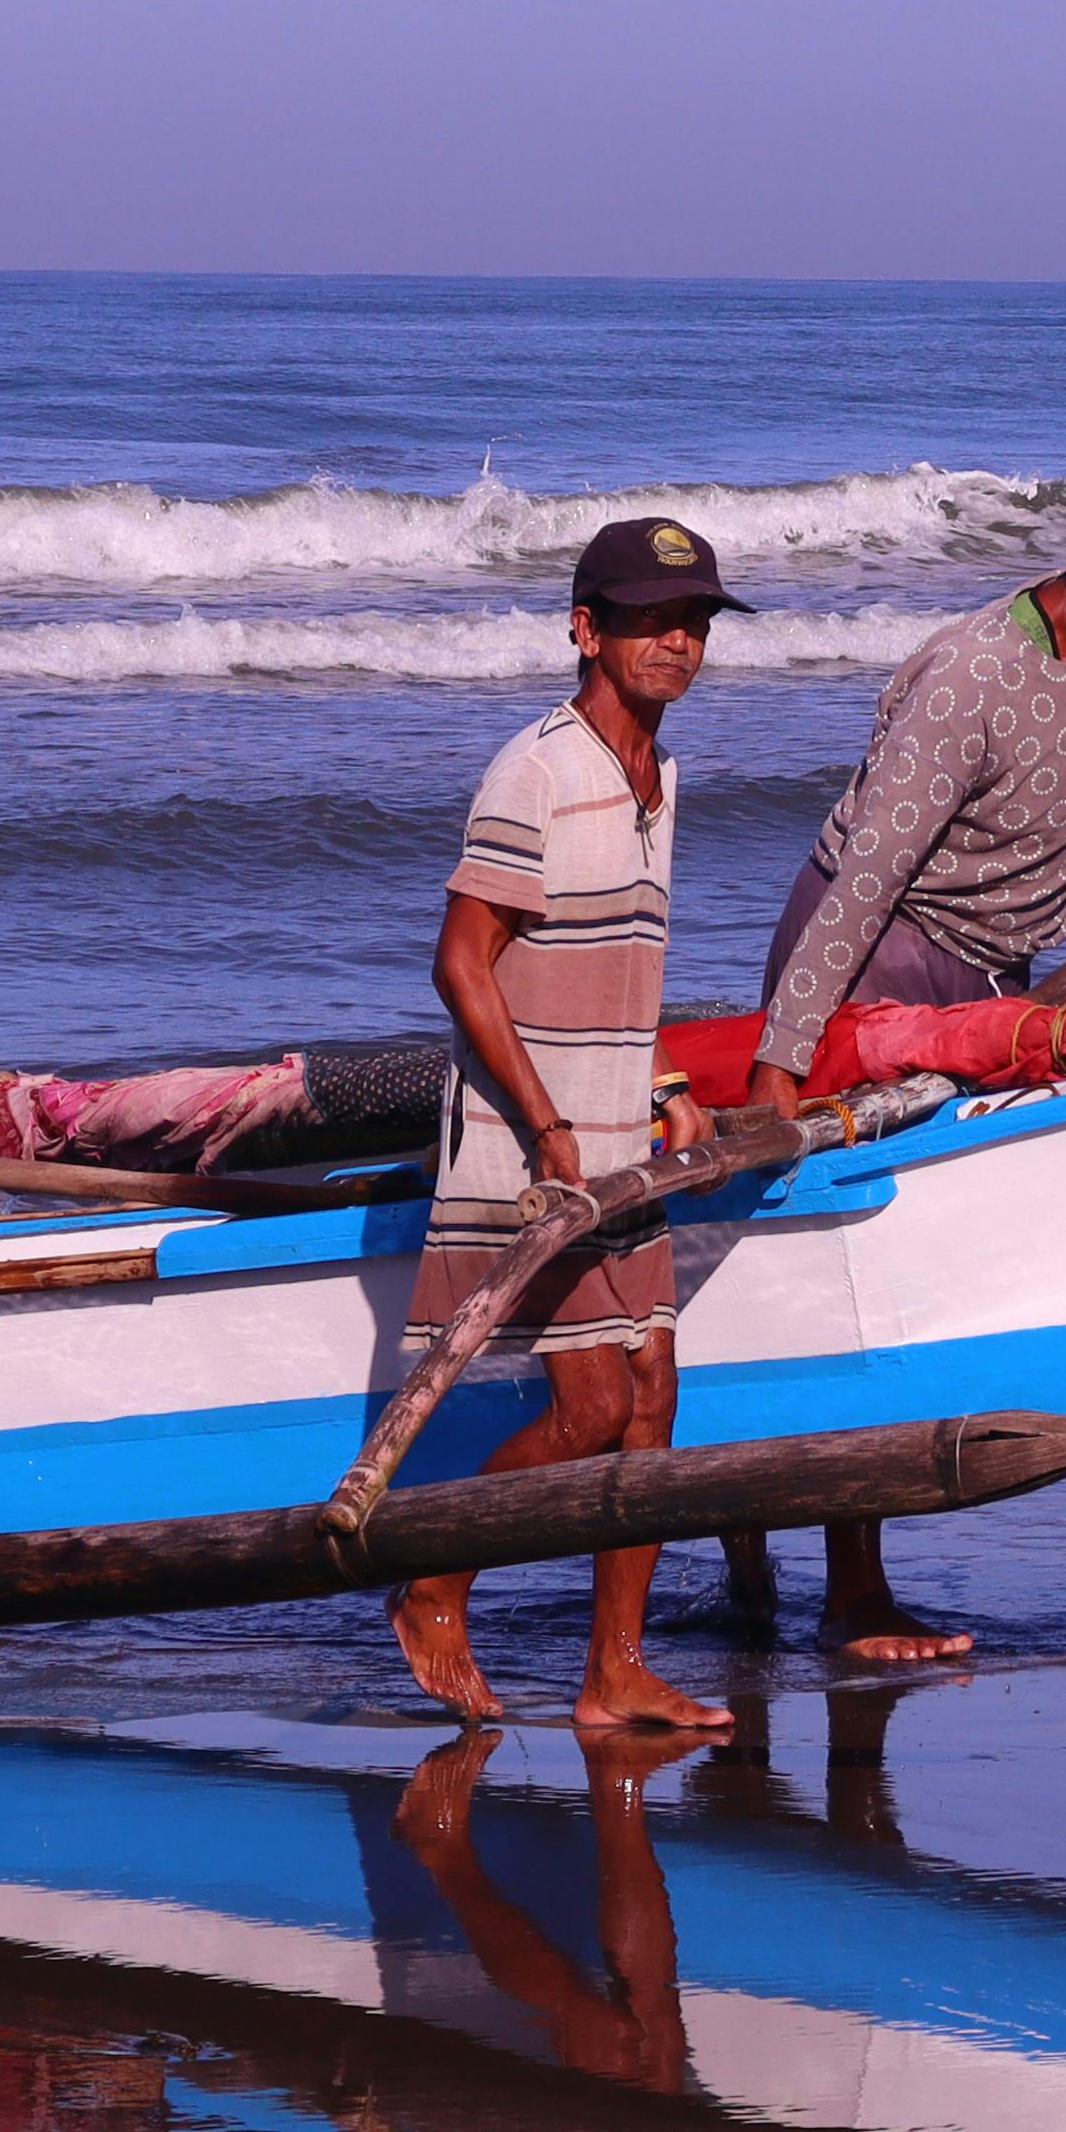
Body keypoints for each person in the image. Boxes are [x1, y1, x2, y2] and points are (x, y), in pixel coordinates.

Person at [735, 447, 1066, 1663]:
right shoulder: (970, 675)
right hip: (870, 960)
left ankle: (767, 1569)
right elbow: (867, 873)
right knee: (848, 1272)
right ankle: (844, 1594)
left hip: (993, 976)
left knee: (912, 1270)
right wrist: (784, 1053)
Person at [388, 514, 746, 1735]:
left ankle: (614, 1673)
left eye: (692, 622)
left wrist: (659, 1086)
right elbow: (461, 962)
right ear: (586, 629)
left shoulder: (660, 774)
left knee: (656, 1393)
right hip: (526, 1149)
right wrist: (544, 1122)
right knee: (596, 1407)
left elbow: (614, 966)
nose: (675, 642)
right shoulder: (534, 769)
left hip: (613, 1145)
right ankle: (433, 1581)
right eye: (649, 618)